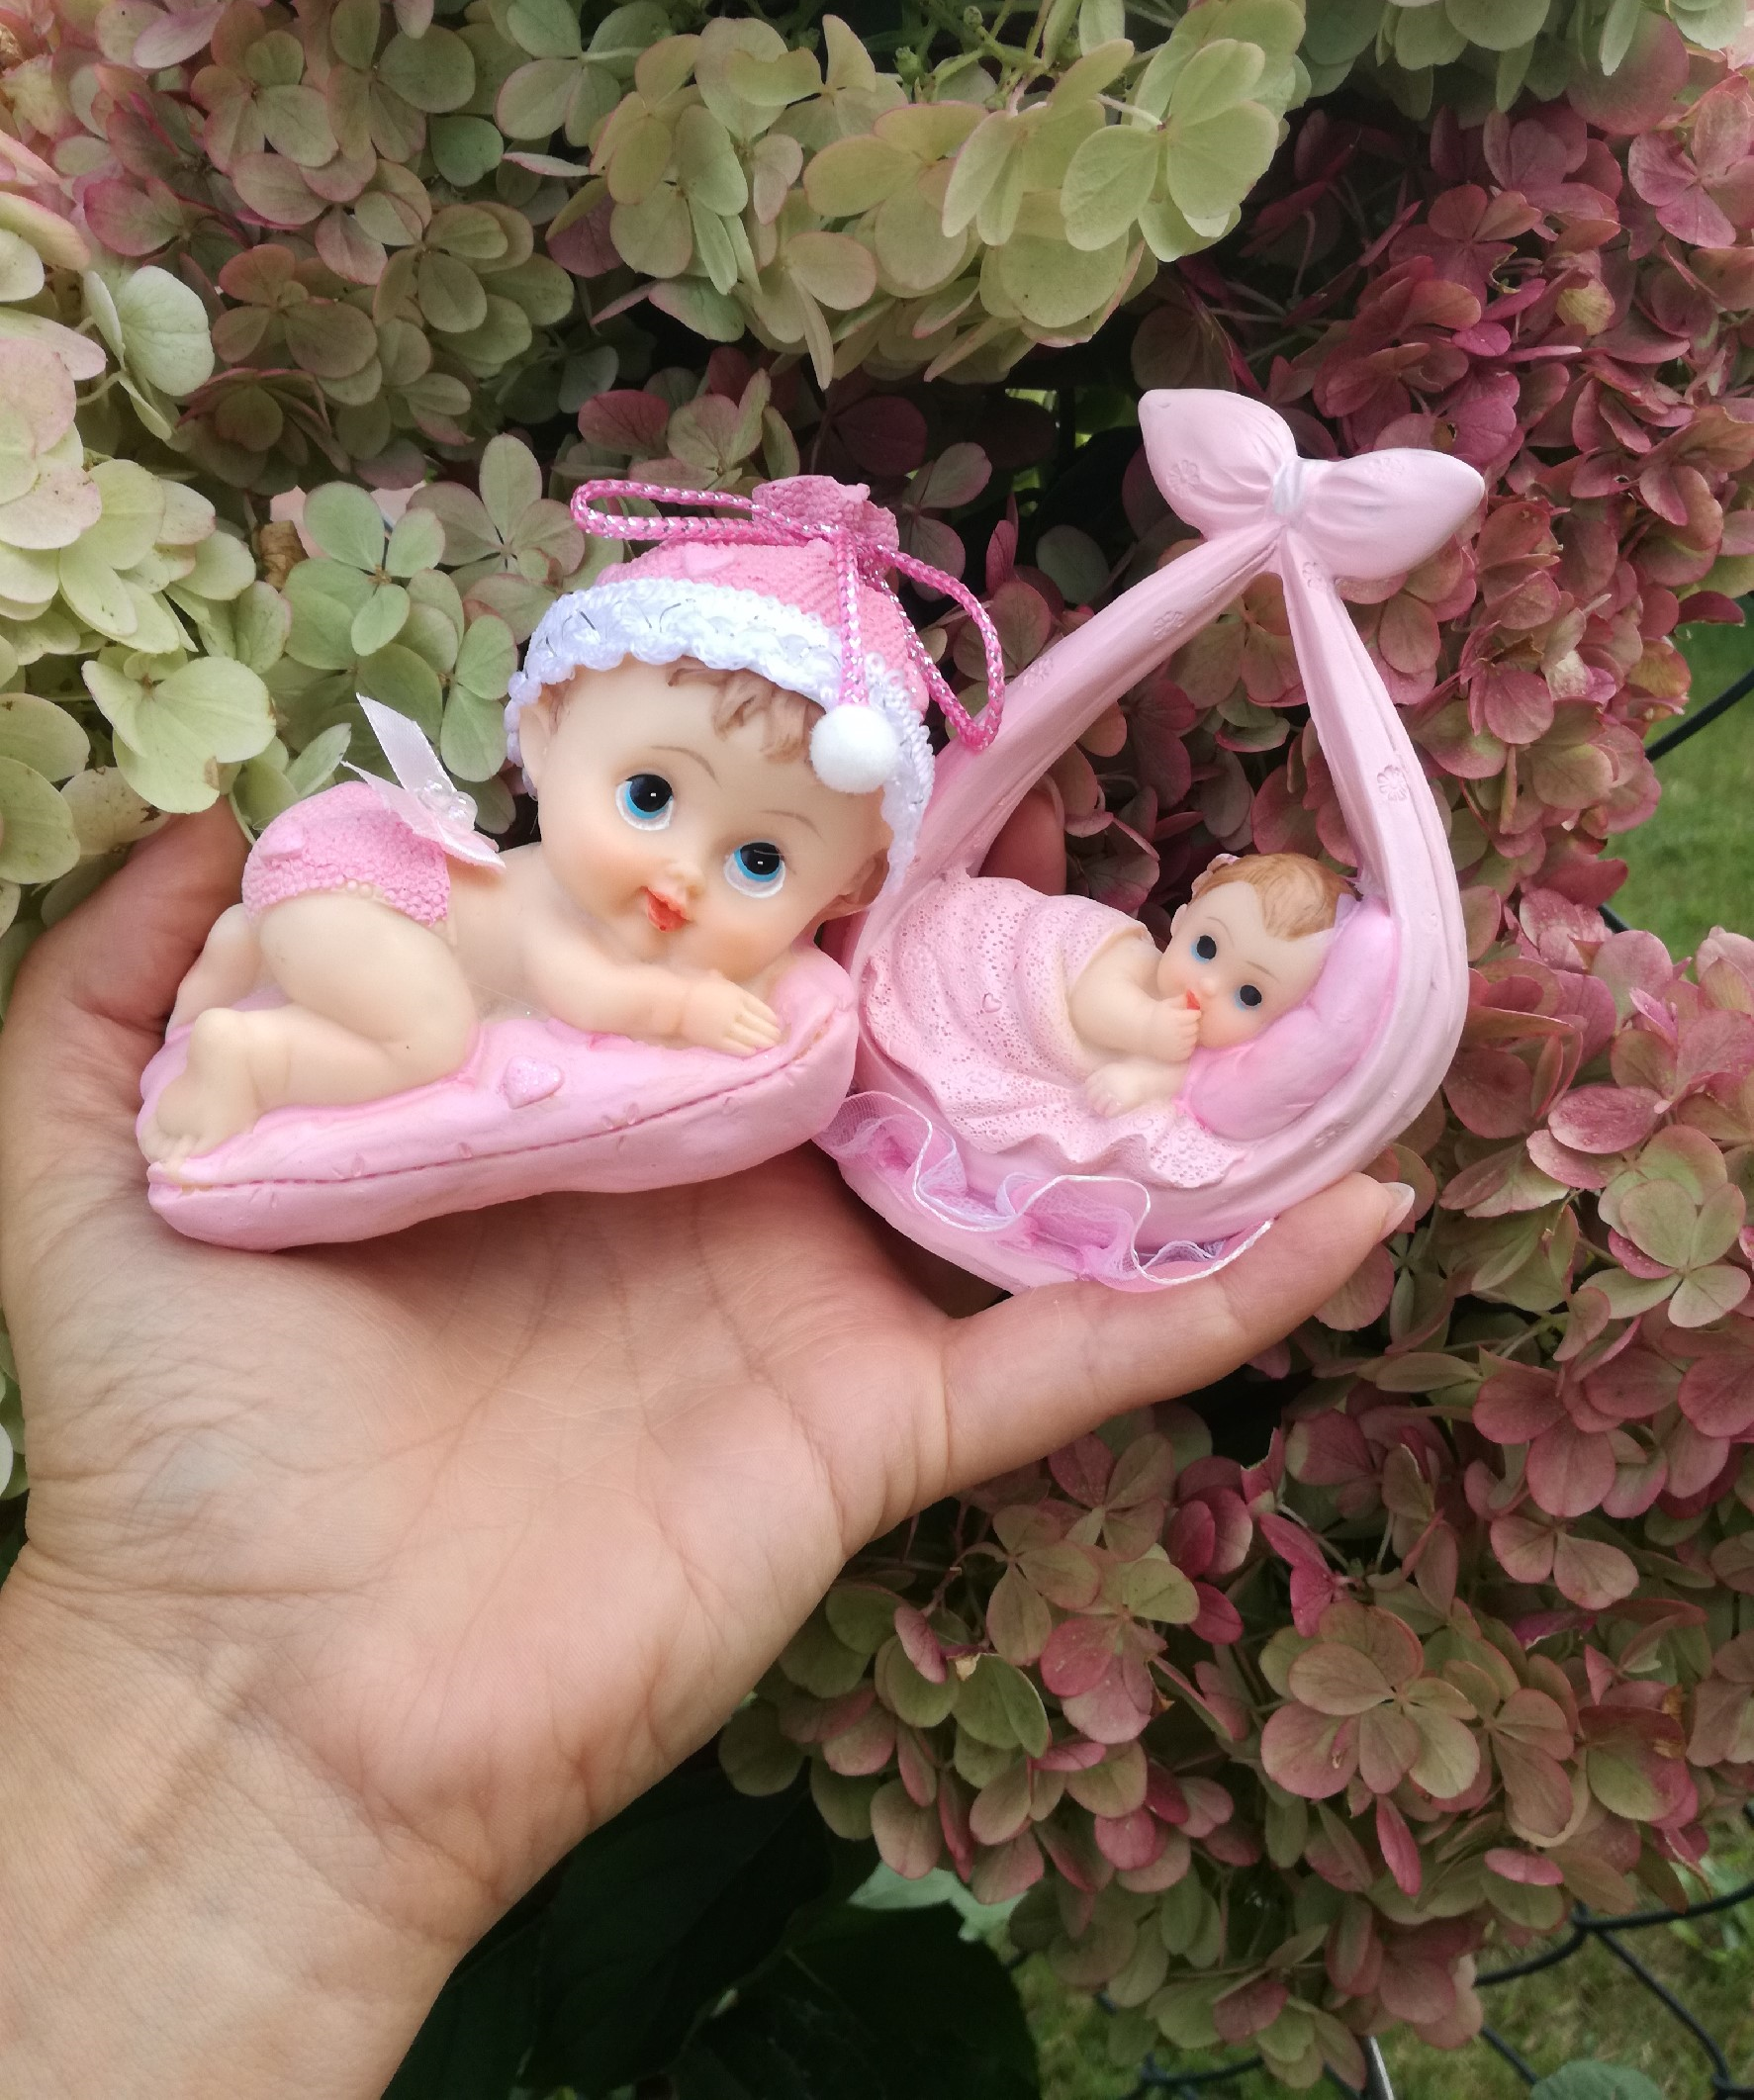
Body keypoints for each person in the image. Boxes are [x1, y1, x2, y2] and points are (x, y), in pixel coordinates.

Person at [0, 808, 1412, 2094]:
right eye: (1211, 952)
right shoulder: (1102, 960)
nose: (1204, 993)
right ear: (1196, 899)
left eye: (1247, 1001)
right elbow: (1095, 1017)